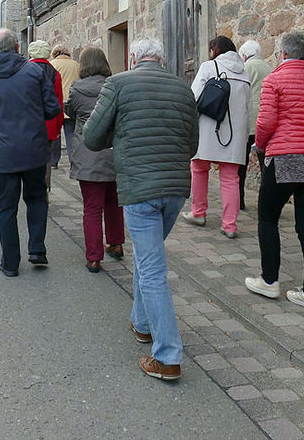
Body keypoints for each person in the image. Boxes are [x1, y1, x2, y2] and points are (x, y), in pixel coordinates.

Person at [83, 38, 198, 382]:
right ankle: (143, 322)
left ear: (133, 58)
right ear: (161, 60)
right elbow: (192, 145)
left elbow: (92, 137)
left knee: (150, 269)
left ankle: (167, 356)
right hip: (175, 188)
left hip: (139, 186)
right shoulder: (183, 88)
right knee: (149, 258)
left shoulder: (117, 83)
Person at [244, 32, 304, 313]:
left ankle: (270, 280)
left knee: (268, 219)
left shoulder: (274, 80)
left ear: (282, 54)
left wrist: (260, 145)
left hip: (283, 157)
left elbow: (267, 121)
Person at [0, 29, 61, 277]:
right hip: (33, 149)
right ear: (17, 47)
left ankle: (10, 262)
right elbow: (52, 109)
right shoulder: (34, 72)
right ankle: (37, 248)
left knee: (5, 208)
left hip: (2, 152)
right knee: (37, 198)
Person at [181, 35, 250, 239]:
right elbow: (248, 107)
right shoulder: (244, 72)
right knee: (230, 178)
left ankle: (198, 212)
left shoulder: (208, 67)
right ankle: (229, 225)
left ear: (214, 50)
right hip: (234, 134)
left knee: (199, 170)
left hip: (208, 129)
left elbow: (193, 97)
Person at [65, 46, 124, 273]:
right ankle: (116, 243)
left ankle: (94, 257)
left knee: (92, 208)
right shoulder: (116, 86)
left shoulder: (77, 89)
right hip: (113, 152)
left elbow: (70, 110)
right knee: (114, 202)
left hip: (88, 153)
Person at [237, 40, 272, 211]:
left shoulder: (245, 68)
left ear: (244, 55)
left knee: (240, 164)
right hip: (266, 120)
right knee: (265, 164)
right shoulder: (269, 69)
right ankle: (266, 202)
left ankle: (240, 201)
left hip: (248, 121)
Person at [27, 40, 63, 187]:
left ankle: (29, 185)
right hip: (48, 122)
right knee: (46, 157)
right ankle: (44, 187)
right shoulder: (55, 73)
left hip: (27, 122)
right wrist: (58, 126)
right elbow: (58, 102)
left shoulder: (24, 70)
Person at [49, 45, 80, 168]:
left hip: (57, 102)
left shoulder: (52, 65)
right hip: (73, 102)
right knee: (71, 133)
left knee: (56, 133)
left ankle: (53, 161)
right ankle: (73, 160)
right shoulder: (76, 65)